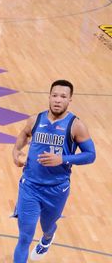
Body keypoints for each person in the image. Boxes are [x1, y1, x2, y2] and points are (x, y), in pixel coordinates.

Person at [11, 80, 96, 262]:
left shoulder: (76, 125)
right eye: (55, 95)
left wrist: (63, 159)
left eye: (63, 97)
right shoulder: (35, 119)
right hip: (30, 186)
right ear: (49, 96)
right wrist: (16, 150)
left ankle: (48, 237)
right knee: (25, 236)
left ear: (70, 100)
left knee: (47, 225)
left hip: (57, 188)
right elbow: (25, 134)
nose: (58, 100)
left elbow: (90, 155)